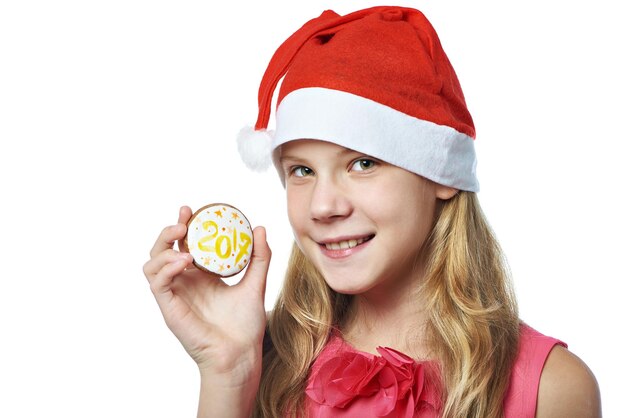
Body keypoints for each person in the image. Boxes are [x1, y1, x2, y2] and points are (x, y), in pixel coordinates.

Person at [143, 5, 601, 418]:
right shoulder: (266, 368)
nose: (323, 206)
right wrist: (228, 372)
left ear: (440, 172)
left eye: (363, 163)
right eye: (301, 170)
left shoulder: (550, 390)